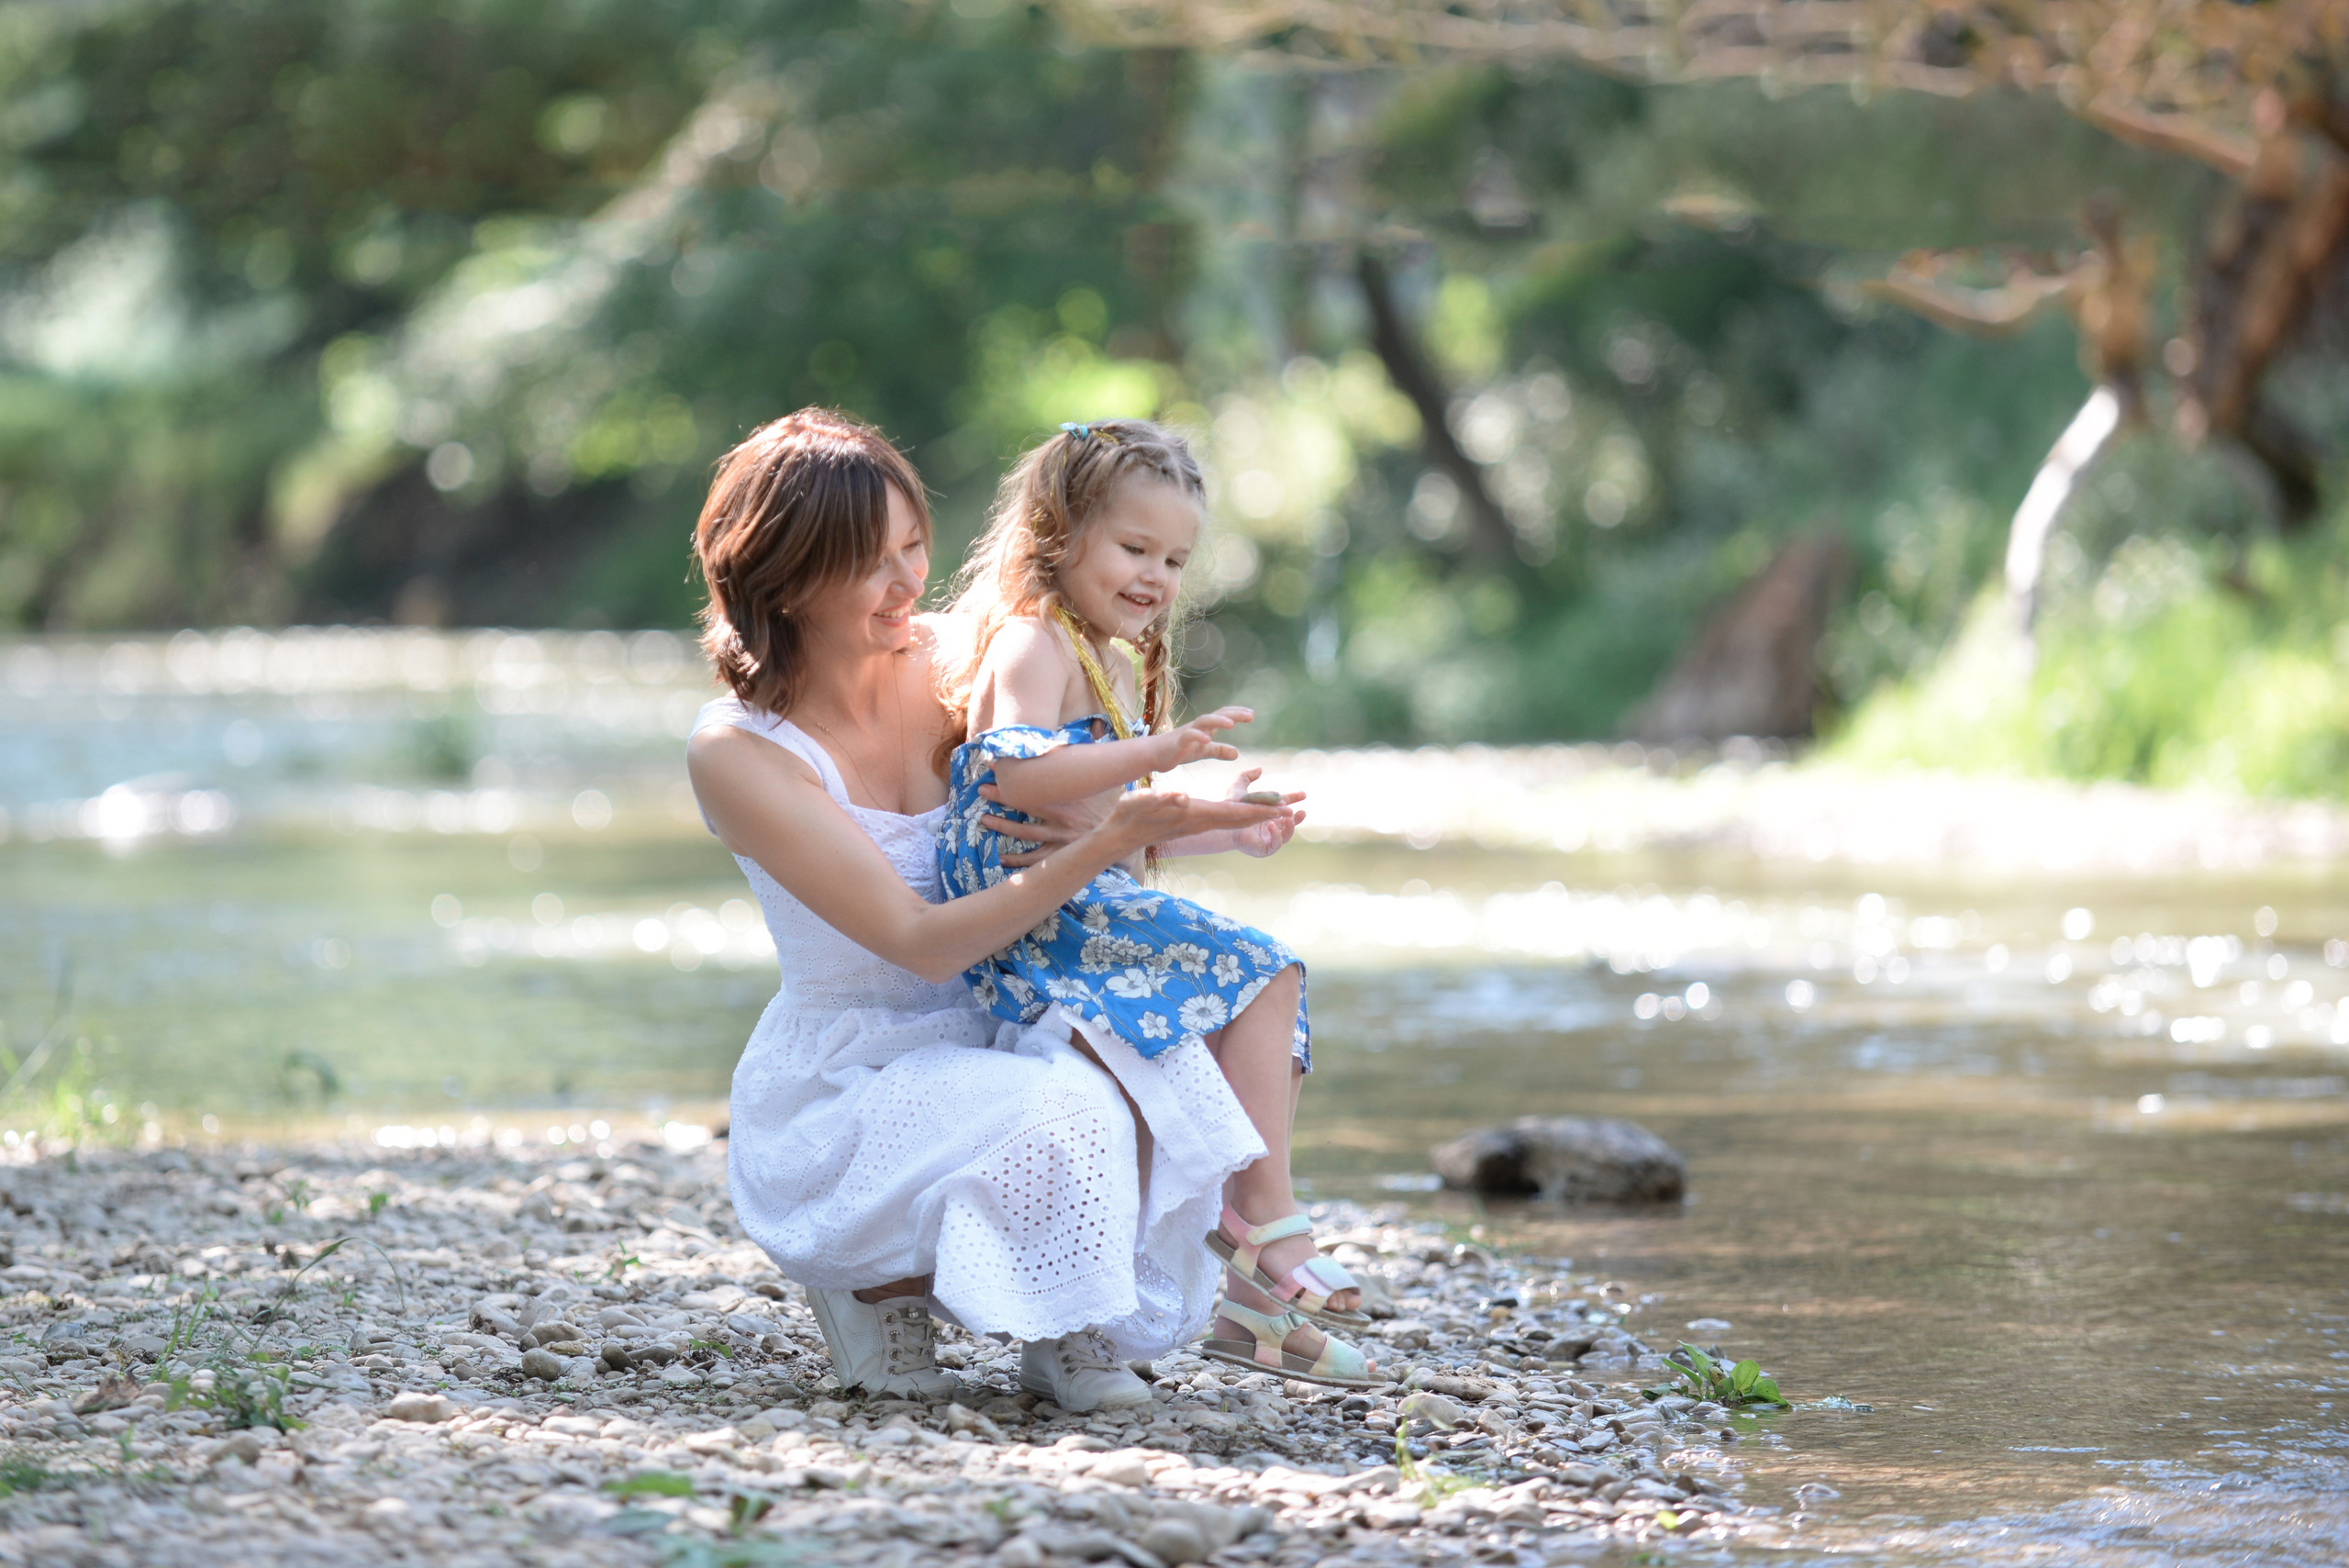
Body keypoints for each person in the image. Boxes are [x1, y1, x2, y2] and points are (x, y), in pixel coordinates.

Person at [684, 407, 1291, 1412]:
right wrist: (1099, 842)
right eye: (869, 562)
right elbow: (921, 945)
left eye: (913, 544)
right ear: (781, 575)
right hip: (853, 1067)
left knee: (1150, 1052)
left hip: (1004, 1013)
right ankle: (875, 1279)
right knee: (1061, 1108)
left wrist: (1209, 821)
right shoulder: (739, 752)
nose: (907, 581)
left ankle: (1067, 1319)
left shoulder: (962, 660)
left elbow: (1077, 804)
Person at [931, 418, 1375, 1387]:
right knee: (1262, 967)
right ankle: (1263, 1227)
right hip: (1031, 917)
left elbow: (1124, 824)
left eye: (1175, 558)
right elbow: (1015, 772)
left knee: (1275, 990)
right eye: (1135, 548)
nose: (1157, 576)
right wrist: (1153, 754)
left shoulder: (1111, 660)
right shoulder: (1035, 640)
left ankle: (1255, 1281)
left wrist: (1227, 826)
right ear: (1060, 534)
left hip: (1080, 900)